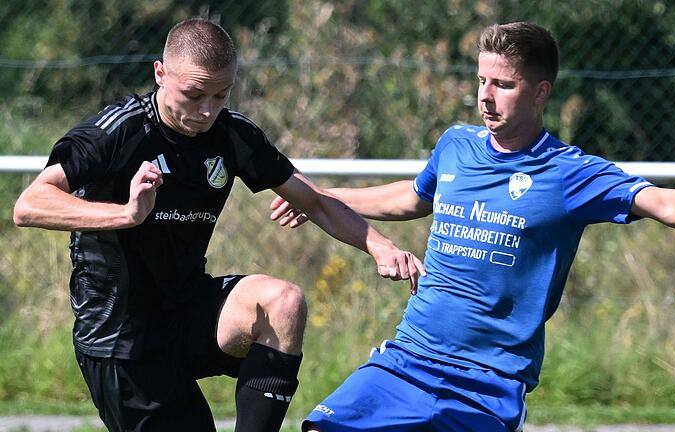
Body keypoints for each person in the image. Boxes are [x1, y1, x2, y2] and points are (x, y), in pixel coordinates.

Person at [269, 21, 675, 432]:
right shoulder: (456, 145)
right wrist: (322, 199)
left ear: (540, 91)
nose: (486, 97)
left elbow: (664, 203)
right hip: (411, 355)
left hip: (490, 379)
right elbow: (413, 197)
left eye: (503, 85)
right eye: (482, 82)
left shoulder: (570, 174)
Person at [12, 17, 424, 432]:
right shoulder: (120, 131)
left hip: (187, 309)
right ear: (160, 73)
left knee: (281, 303)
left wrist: (379, 245)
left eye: (220, 94)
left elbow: (314, 201)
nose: (207, 109)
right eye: (194, 94)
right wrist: (125, 214)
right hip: (121, 339)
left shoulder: (231, 135)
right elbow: (29, 205)